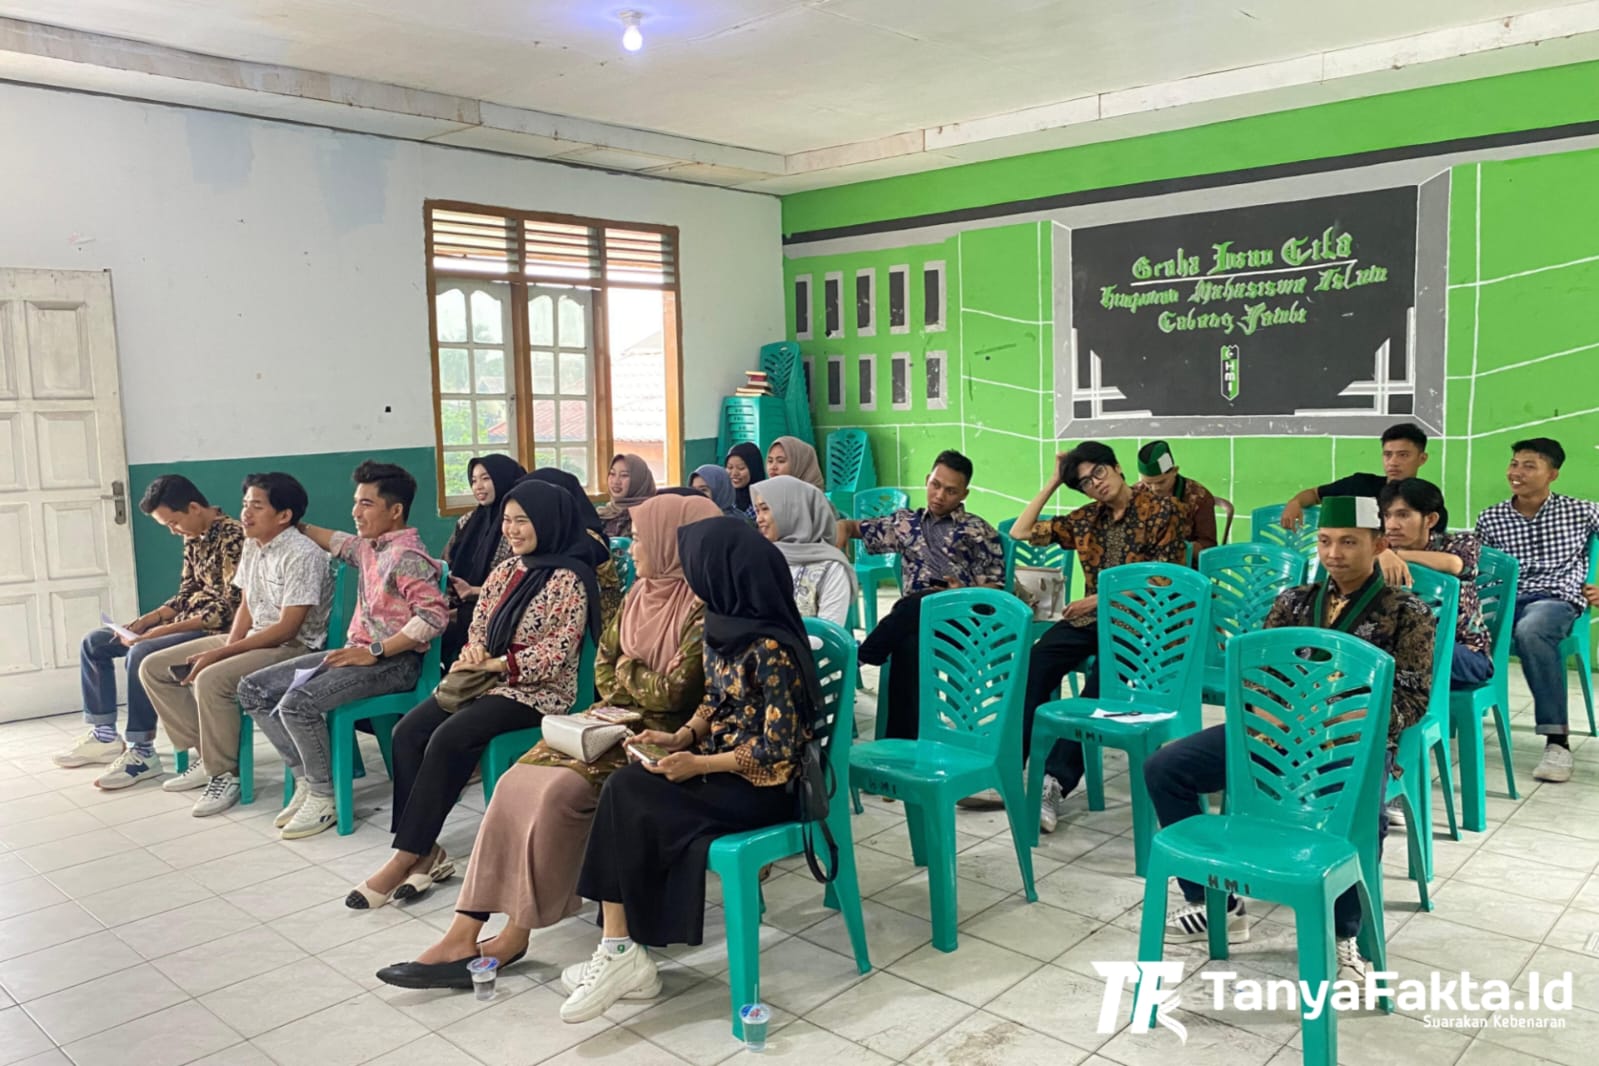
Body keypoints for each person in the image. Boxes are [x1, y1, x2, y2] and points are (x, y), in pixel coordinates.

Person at [372, 491, 720, 986]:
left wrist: (626, 671)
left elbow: (674, 692)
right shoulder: (641, 593)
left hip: (661, 737)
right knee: (517, 783)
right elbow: (605, 669)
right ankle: (464, 929)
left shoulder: (704, 607)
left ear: (672, 543)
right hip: (608, 718)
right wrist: (629, 673)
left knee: (556, 794)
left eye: (641, 538)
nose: (632, 547)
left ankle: (515, 934)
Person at [1142, 497, 1435, 984]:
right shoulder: (1295, 601)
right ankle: (1216, 904)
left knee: (1359, 817)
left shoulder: (1407, 611)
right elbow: (1257, 672)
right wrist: (1264, 710)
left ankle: (1343, 937)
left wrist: (1343, 722)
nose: (1334, 553)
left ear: (1378, 544)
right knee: (1166, 768)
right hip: (1274, 733)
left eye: (1348, 542)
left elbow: (1412, 695)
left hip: (1351, 746)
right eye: (1325, 541)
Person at [558, 517, 818, 1022]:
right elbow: (715, 701)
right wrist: (683, 736)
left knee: (630, 794)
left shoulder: (771, 648)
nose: (691, 577)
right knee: (626, 787)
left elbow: (778, 750)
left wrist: (699, 764)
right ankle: (620, 949)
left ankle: (621, 952)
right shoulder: (725, 623)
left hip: (765, 787)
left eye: (698, 566)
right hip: (723, 768)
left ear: (723, 572)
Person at [350, 479, 601, 908]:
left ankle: (406, 854)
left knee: (451, 737)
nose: (513, 530)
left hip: (537, 692)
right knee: (408, 733)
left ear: (548, 521)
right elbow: (477, 628)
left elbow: (559, 654)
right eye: (507, 521)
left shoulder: (571, 578)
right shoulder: (506, 571)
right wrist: (474, 654)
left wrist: (501, 665)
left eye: (523, 521)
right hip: (484, 681)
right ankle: (425, 850)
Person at [237, 462, 448, 840]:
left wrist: (378, 651)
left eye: (366, 503)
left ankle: (324, 796)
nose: (355, 511)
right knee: (252, 689)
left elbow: (433, 617)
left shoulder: (408, 557)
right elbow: (335, 540)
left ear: (395, 510)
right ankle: (306, 779)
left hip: (396, 663)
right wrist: (290, 526)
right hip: (358, 653)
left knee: (297, 703)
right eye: (356, 502)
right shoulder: (369, 547)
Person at [1011, 442, 1184, 832]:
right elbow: (1021, 531)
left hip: (1146, 624)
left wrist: (1097, 599)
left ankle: (1054, 782)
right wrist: (1056, 481)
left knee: (1103, 678)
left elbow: (1162, 580)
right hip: (1093, 621)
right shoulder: (1088, 519)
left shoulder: (1163, 510)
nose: (1096, 485)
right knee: (1036, 661)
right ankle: (1010, 764)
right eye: (1086, 483)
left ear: (1118, 468)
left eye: (1099, 473)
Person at [140, 473, 333, 817]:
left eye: (256, 506)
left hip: (294, 647)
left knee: (211, 679)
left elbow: (288, 629)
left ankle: (224, 774)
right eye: (245, 505)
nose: (245, 513)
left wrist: (221, 654)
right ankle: (208, 753)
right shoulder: (253, 543)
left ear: (284, 515)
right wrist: (229, 644)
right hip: (253, 636)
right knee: (153, 667)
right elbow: (246, 603)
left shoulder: (303, 554)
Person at [54, 476, 245, 789]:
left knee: (142, 652)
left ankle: (142, 751)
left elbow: (227, 610)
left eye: (174, 522)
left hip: (216, 631)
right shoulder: (194, 534)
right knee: (96, 643)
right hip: (187, 621)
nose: (173, 531)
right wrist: (148, 620)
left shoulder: (233, 536)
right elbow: (187, 592)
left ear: (194, 508)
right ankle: (103, 735)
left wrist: (159, 633)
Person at [840, 450, 1005, 739]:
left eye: (951, 490)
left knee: (922, 602)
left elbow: (996, 588)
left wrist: (965, 592)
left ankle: (863, 655)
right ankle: (901, 744)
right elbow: (853, 527)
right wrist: (839, 539)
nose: (940, 495)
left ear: (964, 493)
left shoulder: (977, 530)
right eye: (935, 485)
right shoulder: (905, 523)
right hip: (913, 621)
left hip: (961, 618)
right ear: (928, 480)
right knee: (908, 643)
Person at [1475, 438, 1599, 784]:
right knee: (1445, 625)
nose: (1517, 472)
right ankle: (1449, 718)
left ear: (1553, 474)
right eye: (1514, 464)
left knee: (1531, 631)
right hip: (1504, 601)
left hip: (1555, 600)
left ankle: (1557, 741)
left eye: (1529, 465)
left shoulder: (1582, 511)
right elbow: (1480, 570)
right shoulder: (1491, 517)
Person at [440, 454, 525, 666]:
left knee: (437, 629)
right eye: (474, 480)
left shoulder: (517, 527)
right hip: (461, 604)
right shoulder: (467, 522)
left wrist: (474, 591)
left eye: (486, 478)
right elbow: (445, 563)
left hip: (499, 609)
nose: (478, 486)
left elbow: (519, 581)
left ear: (502, 477)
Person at [1279, 422, 1428, 529]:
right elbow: (1314, 494)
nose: (1393, 462)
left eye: (1403, 455)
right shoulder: (1360, 484)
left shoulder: (1427, 499)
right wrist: (1295, 502)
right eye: (1388, 455)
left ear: (1422, 459)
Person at [752, 475, 857, 627]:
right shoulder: (761, 559)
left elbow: (827, 634)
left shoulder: (830, 568)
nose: (758, 519)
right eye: (757, 511)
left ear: (792, 510)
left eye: (765, 509)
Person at [1136, 440, 1219, 561]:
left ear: (1174, 471)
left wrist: (1177, 545)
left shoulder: (1199, 497)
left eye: (1161, 482)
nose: (1155, 489)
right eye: (1148, 483)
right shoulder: (1137, 493)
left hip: (1186, 568)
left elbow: (1208, 548)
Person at [597, 453, 658, 540]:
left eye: (624, 475)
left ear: (638, 479)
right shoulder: (603, 513)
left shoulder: (651, 516)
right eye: (612, 474)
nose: (615, 481)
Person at [725, 442, 765, 520]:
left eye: (741, 468)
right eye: (730, 467)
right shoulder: (725, 498)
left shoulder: (764, 499)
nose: (734, 473)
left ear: (754, 469)